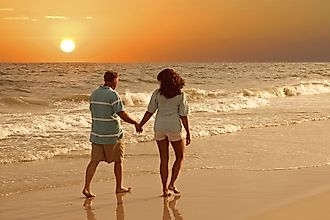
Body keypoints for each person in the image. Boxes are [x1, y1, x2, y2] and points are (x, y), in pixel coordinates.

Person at [82, 70, 142, 197]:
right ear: (115, 80)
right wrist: (135, 123)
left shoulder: (94, 94)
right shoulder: (113, 95)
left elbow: (93, 111)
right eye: (118, 80)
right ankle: (119, 187)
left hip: (97, 134)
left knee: (94, 161)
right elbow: (122, 114)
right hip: (112, 135)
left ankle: (86, 187)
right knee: (118, 161)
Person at [139, 68, 190, 196]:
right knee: (180, 156)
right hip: (174, 128)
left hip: (159, 128)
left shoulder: (157, 93)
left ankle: (164, 189)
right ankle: (172, 183)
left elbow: (150, 111)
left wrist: (140, 124)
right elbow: (183, 115)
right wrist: (188, 132)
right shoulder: (180, 95)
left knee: (164, 159)